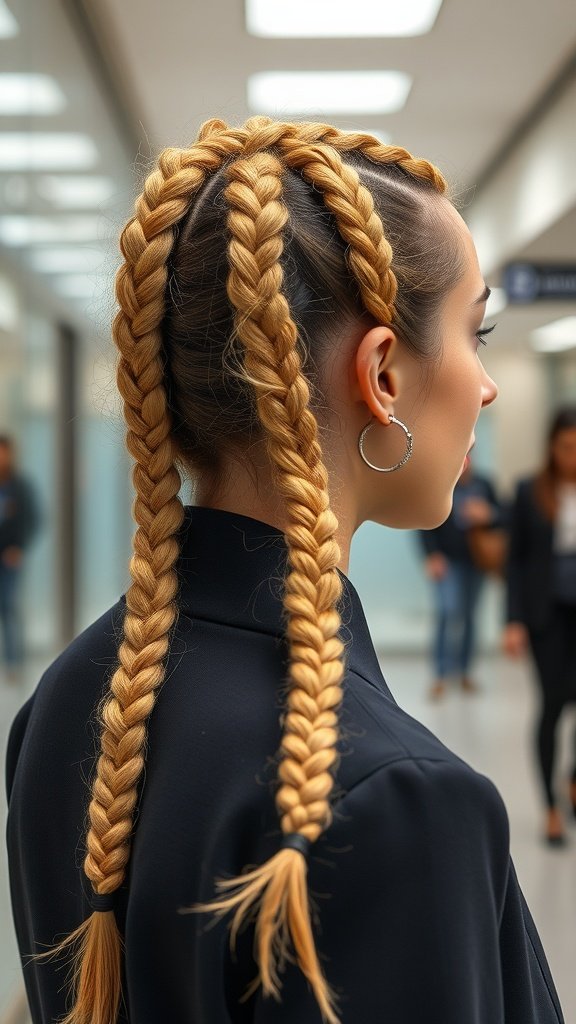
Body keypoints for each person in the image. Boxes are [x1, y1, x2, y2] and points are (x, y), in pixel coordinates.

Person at [6, 118, 564, 1024]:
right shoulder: (397, 802)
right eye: (479, 332)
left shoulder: (72, 700)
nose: (488, 385)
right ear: (382, 374)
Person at [504, 406, 576, 848]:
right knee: (552, 707)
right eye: (567, 446)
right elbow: (515, 562)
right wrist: (513, 620)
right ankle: (550, 805)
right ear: (552, 446)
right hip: (547, 617)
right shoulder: (531, 492)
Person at [419, 461, 501, 699]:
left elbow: (503, 515)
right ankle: (441, 675)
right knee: (447, 612)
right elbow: (426, 522)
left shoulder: (484, 485)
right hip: (448, 562)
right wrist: (432, 555)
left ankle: (465, 672)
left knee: (470, 617)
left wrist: (487, 514)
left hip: (477, 562)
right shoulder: (443, 484)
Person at [0, 434, 40, 682]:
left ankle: (14, 662)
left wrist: (19, 547)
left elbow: (33, 519)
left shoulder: (20, 486)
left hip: (9, 558)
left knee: (9, 607)